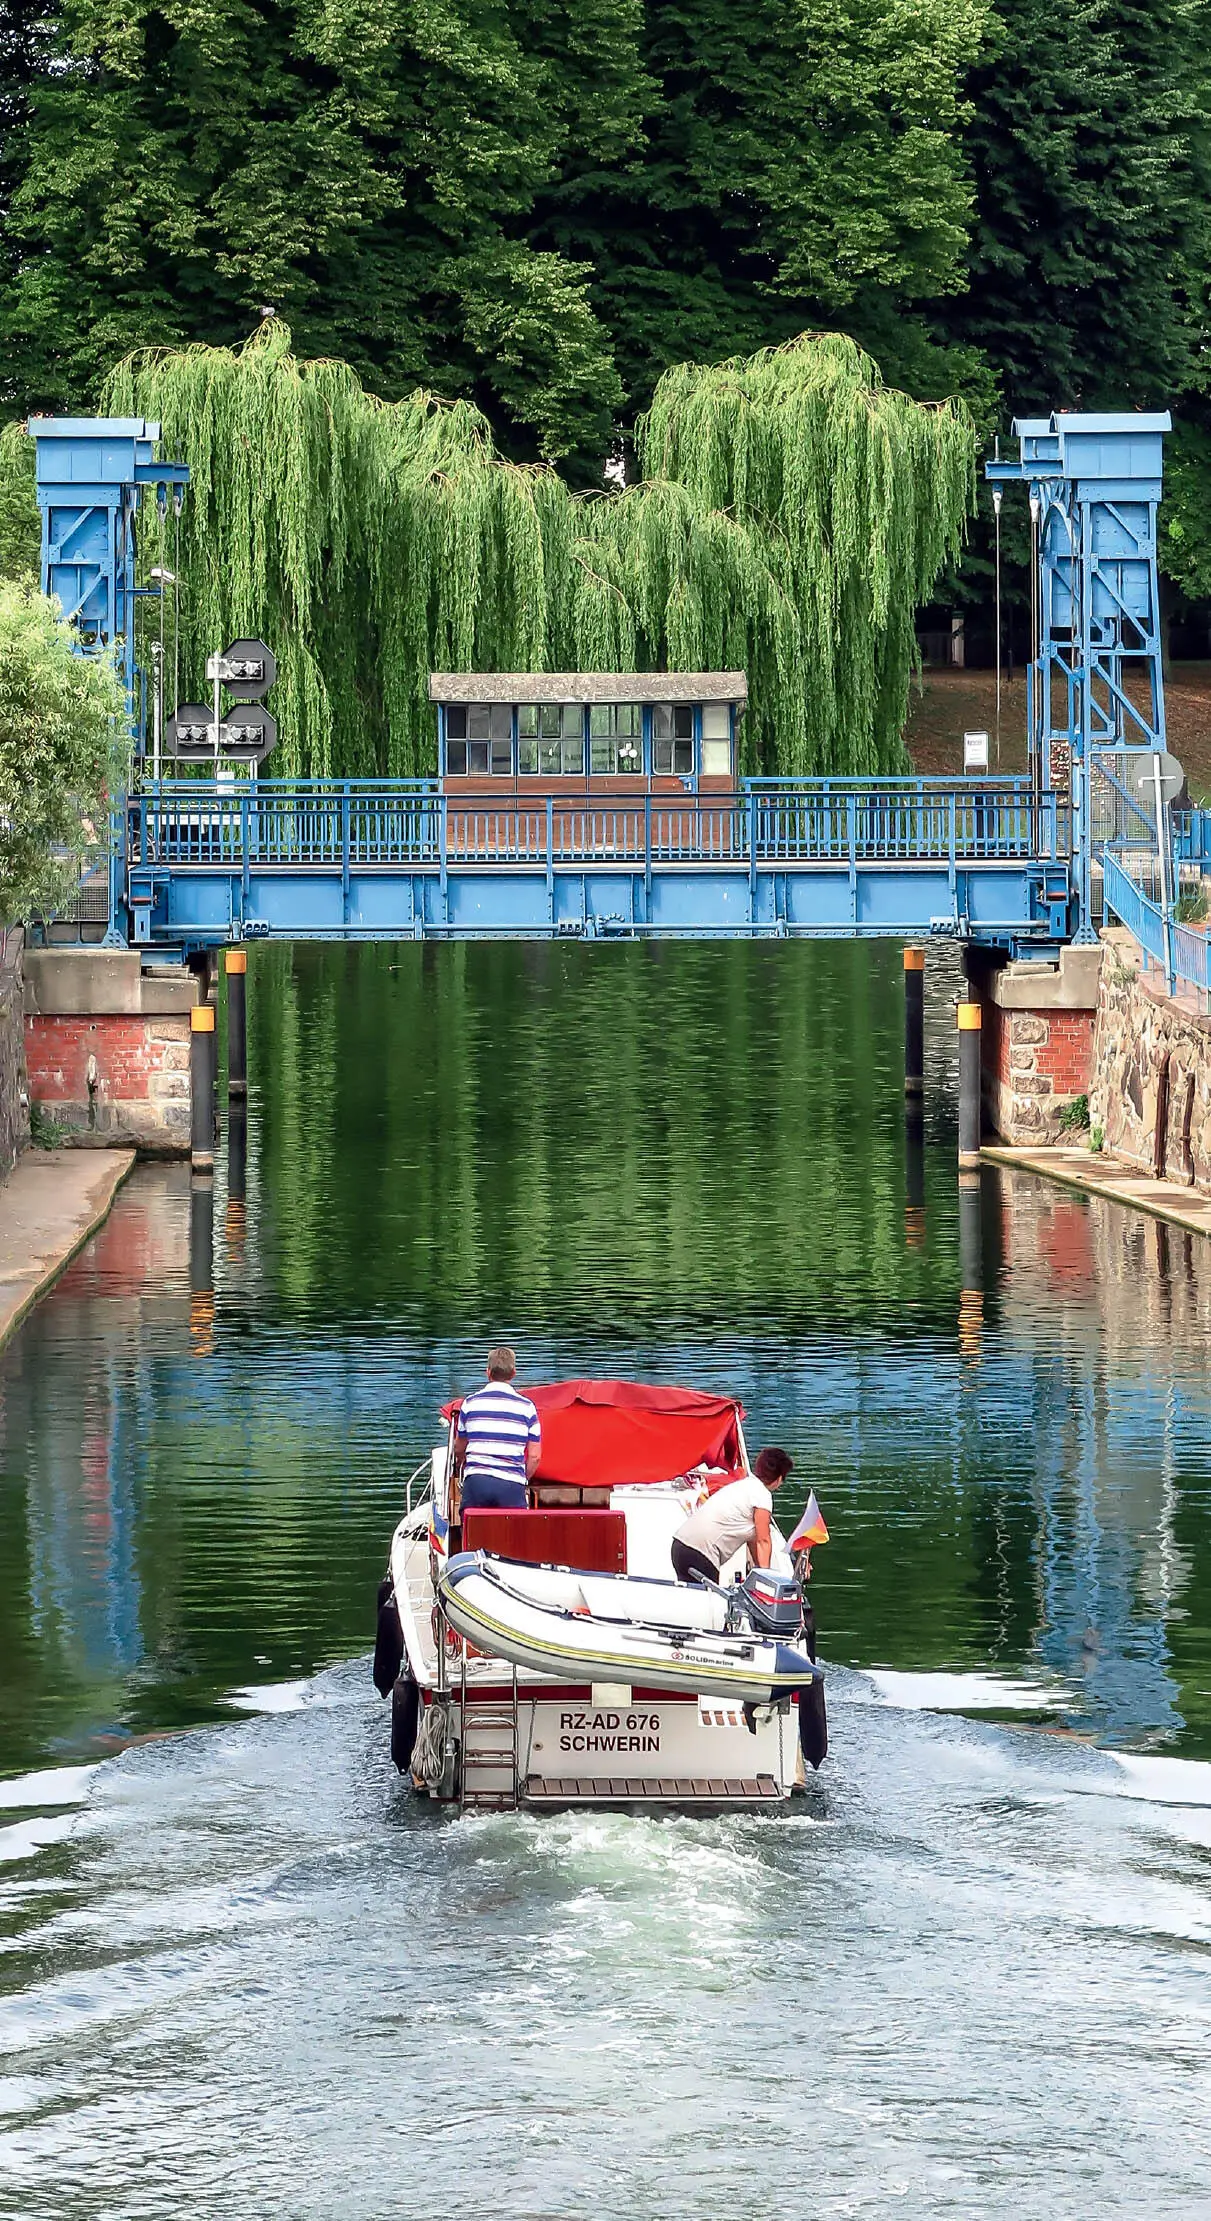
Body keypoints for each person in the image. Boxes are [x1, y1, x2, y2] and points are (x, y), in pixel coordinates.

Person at [670, 1447, 793, 1584]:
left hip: (680, 1547)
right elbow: (763, 1541)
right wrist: (767, 1582)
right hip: (700, 1555)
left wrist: (759, 1571)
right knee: (710, 1602)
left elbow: (754, 1540)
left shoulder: (742, 1485)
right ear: (779, 1478)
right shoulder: (762, 1495)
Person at [454, 1346, 542, 1512]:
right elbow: (535, 1456)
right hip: (511, 1485)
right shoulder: (527, 1407)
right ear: (513, 1373)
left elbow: (459, 1448)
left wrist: (461, 1464)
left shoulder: (470, 1403)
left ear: (488, 1372)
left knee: (471, 1533)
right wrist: (521, 1477)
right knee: (512, 1535)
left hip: (477, 1482)